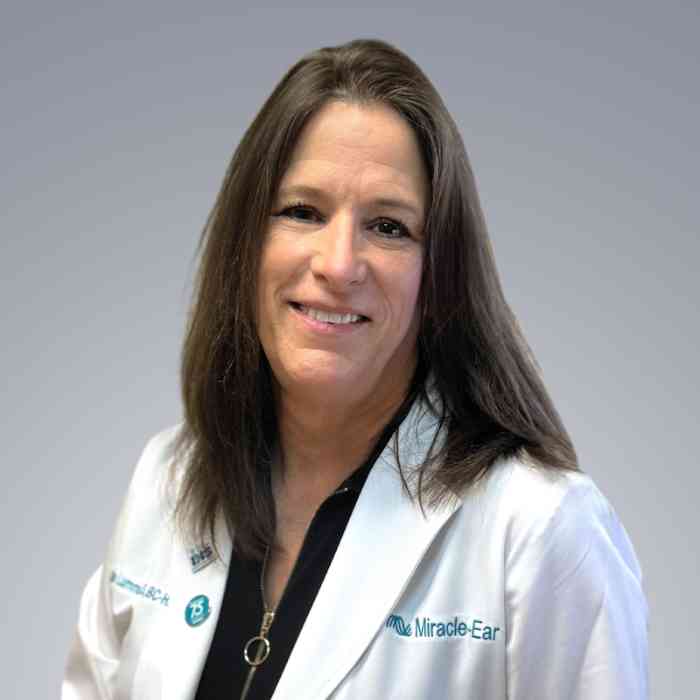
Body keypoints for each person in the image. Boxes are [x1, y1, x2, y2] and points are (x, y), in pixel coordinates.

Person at [62, 38, 648, 699]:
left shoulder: (540, 531)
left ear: (440, 273)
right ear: (245, 242)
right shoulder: (167, 481)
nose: (339, 265)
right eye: (302, 212)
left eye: (389, 227)